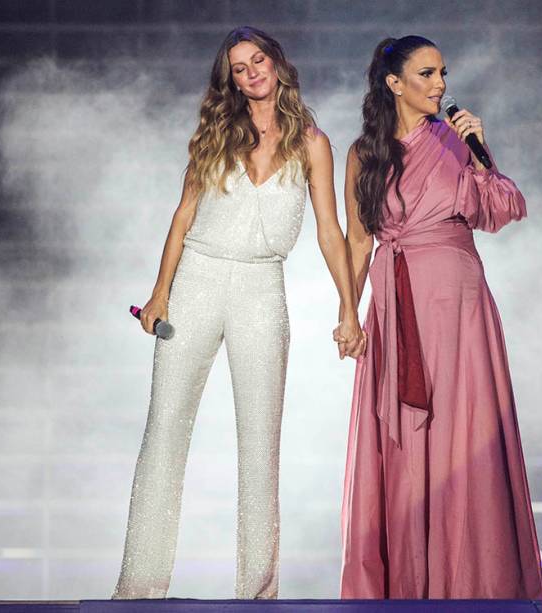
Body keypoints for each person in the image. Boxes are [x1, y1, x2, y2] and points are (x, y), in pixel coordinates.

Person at [113, 26, 364, 600]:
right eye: (239, 67)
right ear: (230, 79)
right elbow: (182, 218)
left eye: (258, 61)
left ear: (277, 63)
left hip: (261, 287)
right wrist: (159, 295)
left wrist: (349, 307)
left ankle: (258, 593)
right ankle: (139, 588)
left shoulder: (312, 143)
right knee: (164, 433)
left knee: (260, 443)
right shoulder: (216, 134)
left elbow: (330, 231)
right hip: (198, 279)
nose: (251, 73)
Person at [336, 35, 542, 599]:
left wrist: (480, 150)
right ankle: (407, 584)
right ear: (394, 83)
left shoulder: (456, 140)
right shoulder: (363, 153)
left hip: (457, 302)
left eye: (443, 73)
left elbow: (503, 209)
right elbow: (358, 241)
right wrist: (348, 315)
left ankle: (471, 583)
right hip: (396, 300)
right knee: (403, 442)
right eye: (427, 74)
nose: (441, 85)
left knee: (462, 431)